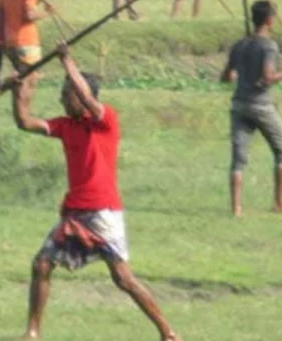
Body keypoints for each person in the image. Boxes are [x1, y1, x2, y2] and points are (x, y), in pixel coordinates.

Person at [11, 43, 181, 341]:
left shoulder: (106, 121)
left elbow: (89, 99)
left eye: (66, 95)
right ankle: (32, 332)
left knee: (123, 278)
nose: (62, 100)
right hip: (74, 213)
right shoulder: (65, 126)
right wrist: (19, 92)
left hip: (103, 213)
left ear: (80, 96)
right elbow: (24, 121)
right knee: (42, 264)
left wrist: (67, 61)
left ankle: (167, 332)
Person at [220, 0, 282, 217]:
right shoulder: (268, 46)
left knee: (238, 158)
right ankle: (279, 203)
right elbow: (268, 77)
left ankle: (236, 208)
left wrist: (237, 74)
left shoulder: (240, 45)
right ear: (269, 20)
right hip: (262, 105)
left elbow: (226, 76)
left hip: (239, 104)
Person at [0, 0, 50, 83]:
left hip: (9, 39)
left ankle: (11, 79)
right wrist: (48, 13)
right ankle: (6, 82)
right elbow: (29, 15)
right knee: (29, 80)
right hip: (26, 40)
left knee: (20, 80)